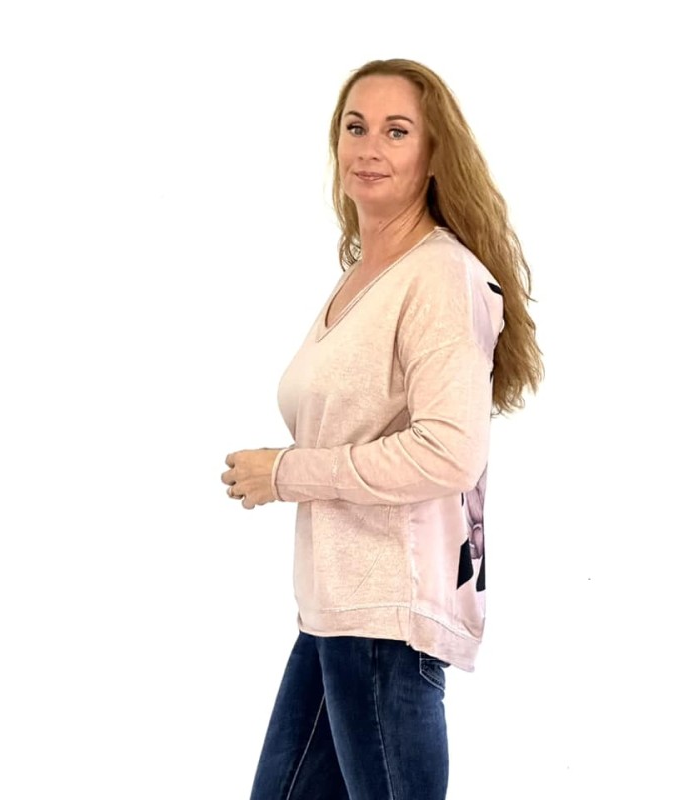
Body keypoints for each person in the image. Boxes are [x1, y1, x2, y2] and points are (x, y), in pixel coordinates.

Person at [220, 58, 543, 800]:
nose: (369, 148)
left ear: (432, 155)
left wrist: (286, 473)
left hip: (387, 615)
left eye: (397, 132)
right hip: (336, 609)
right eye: (355, 127)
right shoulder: (367, 275)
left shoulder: (439, 275)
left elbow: (449, 452)